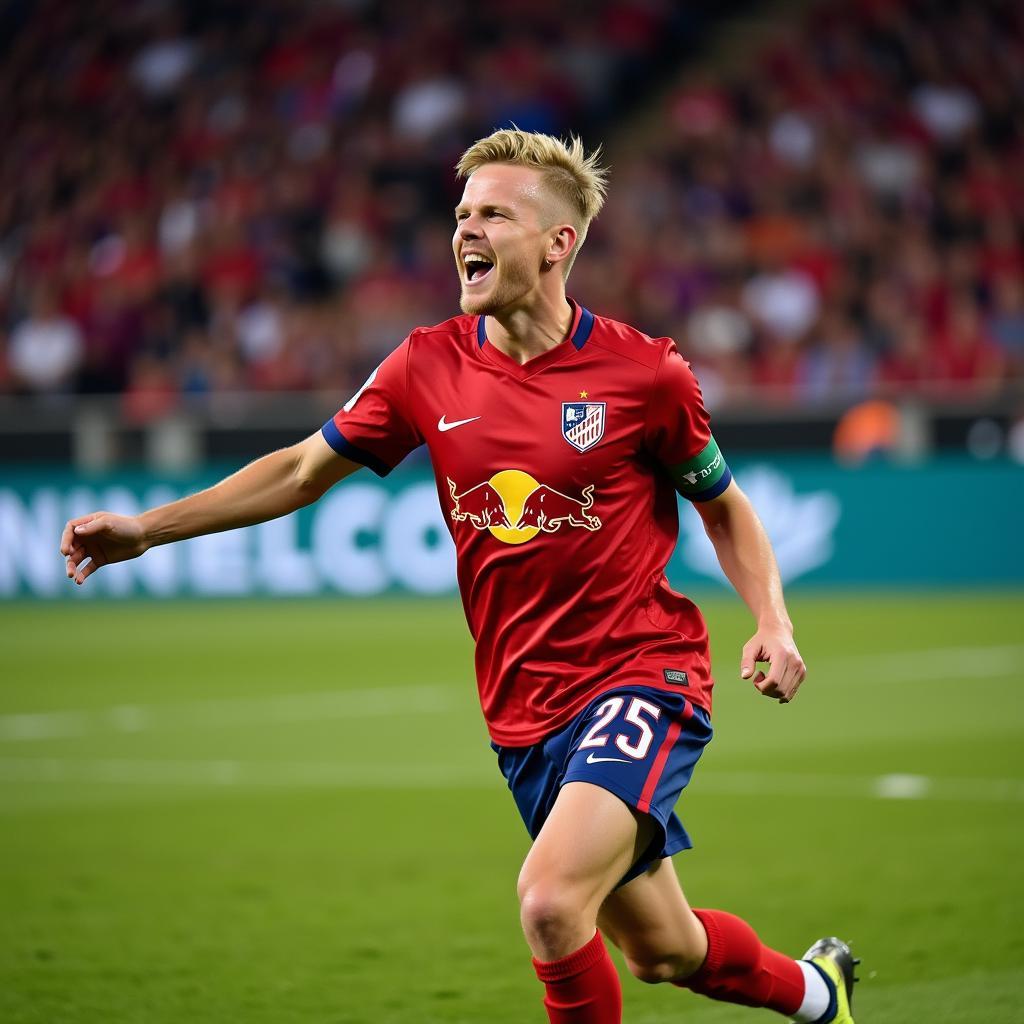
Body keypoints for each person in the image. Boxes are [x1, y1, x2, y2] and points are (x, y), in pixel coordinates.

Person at [61, 129, 858, 1024]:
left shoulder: (645, 374)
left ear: (559, 243)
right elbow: (298, 472)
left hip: (643, 675)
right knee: (663, 952)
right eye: (462, 214)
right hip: (522, 709)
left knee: (552, 905)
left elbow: (724, 506)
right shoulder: (424, 364)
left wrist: (774, 621)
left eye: (494, 215)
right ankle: (818, 992)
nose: (465, 231)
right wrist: (147, 528)